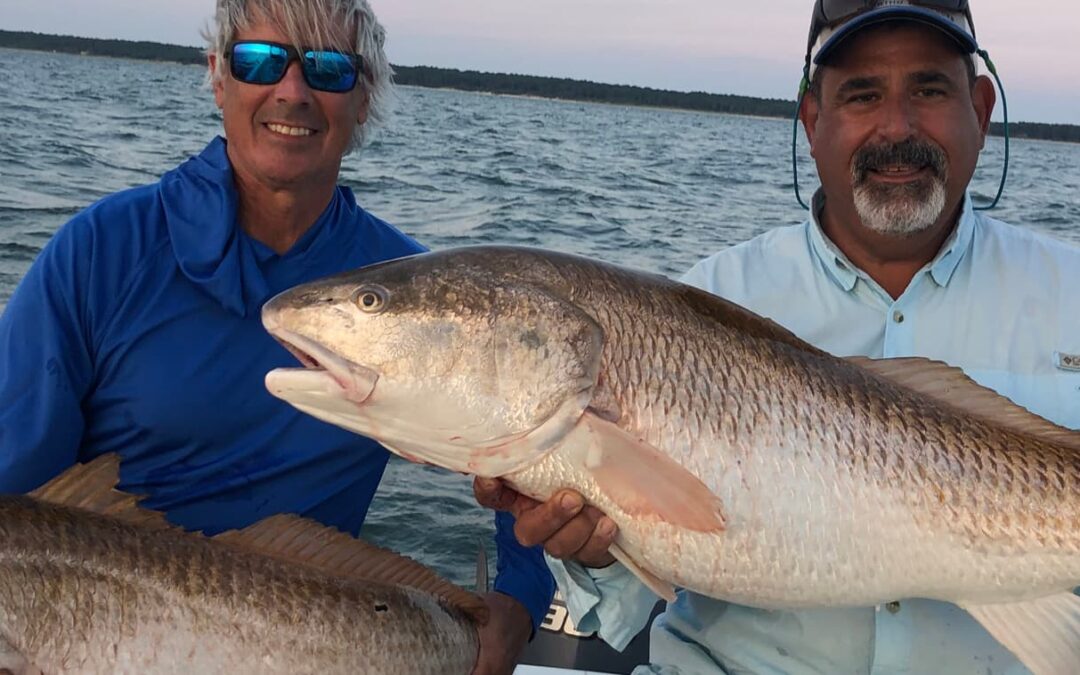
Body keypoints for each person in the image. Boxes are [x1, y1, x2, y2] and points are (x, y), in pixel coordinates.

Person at [475, 1, 1080, 673]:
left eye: (930, 89)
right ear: (813, 120)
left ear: (981, 107)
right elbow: (620, 588)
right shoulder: (703, 302)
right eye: (861, 93)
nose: (897, 126)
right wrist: (590, 548)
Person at [0, 1, 553, 672]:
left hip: (317, 636)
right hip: (96, 628)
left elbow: (534, 440)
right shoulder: (101, 251)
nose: (292, 90)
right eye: (259, 61)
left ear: (364, 97)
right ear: (216, 76)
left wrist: (519, 599)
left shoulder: (413, 298)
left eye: (326, 68)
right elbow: (19, 496)